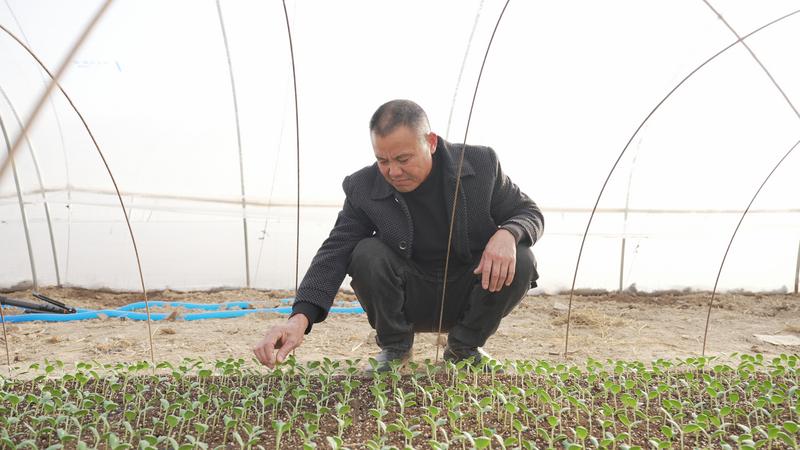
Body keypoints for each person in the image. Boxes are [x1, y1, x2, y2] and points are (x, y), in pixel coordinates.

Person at [253, 99, 543, 370]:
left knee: (522, 257)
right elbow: (335, 251)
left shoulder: (480, 164)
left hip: (469, 291)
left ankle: (464, 349)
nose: (393, 171)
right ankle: (396, 348)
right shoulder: (363, 187)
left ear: (431, 142)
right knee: (366, 252)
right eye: (383, 160)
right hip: (408, 296)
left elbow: (529, 212)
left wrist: (508, 233)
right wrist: (299, 319)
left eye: (403, 159)